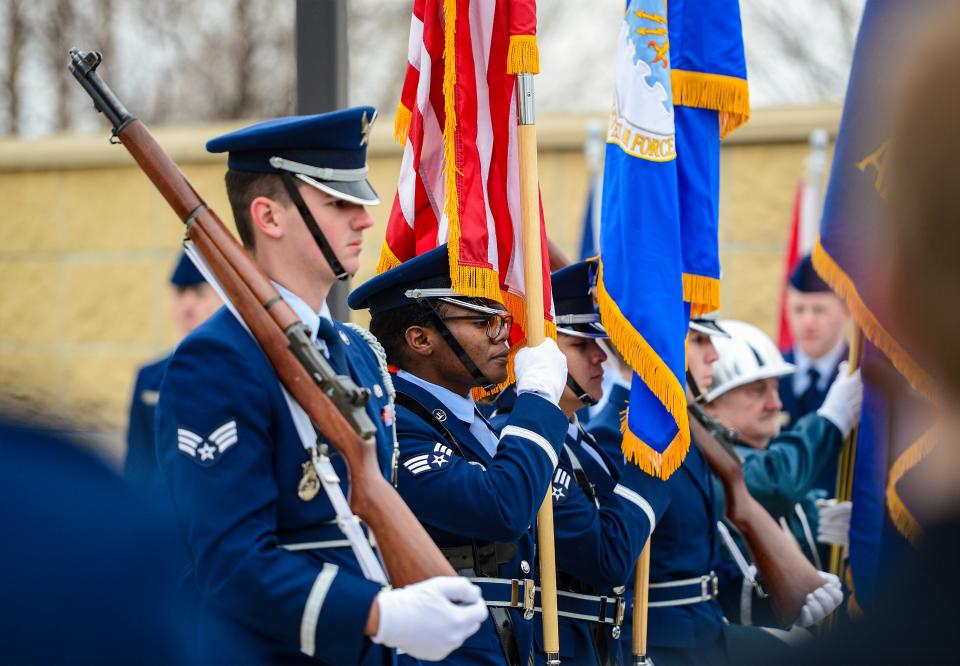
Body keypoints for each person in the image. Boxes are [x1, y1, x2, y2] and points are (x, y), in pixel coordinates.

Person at [155, 109, 486, 665]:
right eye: (338, 203)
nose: (363, 220)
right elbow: (232, 564)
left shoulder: (353, 350)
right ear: (268, 216)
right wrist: (378, 615)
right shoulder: (217, 361)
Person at [349, 243, 580, 665]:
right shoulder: (398, 424)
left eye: (501, 320)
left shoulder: (468, 421)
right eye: (482, 322)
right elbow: (502, 507)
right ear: (420, 339)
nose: (503, 335)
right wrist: (540, 399)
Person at [489, 259, 671, 665]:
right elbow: (605, 557)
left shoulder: (576, 435)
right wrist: (656, 461)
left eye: (599, 343)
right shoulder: (517, 438)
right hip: (561, 647)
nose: (600, 357)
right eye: (580, 345)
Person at [700, 320, 862, 570]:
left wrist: (815, 518)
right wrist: (832, 419)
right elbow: (772, 483)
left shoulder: (755, 457)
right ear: (709, 405)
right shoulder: (704, 462)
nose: (775, 404)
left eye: (775, 389)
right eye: (757, 391)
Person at [124, 252, 220, 488]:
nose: (187, 303)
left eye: (199, 293)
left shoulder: (236, 371)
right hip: (160, 511)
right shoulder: (149, 377)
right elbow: (137, 460)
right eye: (179, 292)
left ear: (219, 297)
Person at [780, 255, 850, 431]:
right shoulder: (771, 373)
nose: (808, 322)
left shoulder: (861, 378)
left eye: (819, 310)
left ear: (846, 310)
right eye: (799, 309)